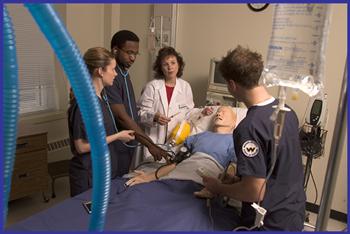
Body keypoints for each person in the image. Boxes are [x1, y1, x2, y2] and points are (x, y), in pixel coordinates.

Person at [201, 46, 306, 231]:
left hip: (269, 222)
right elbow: (275, 168)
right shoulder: (287, 112)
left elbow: (254, 191)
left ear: (232, 85)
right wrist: (238, 180)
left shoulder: (249, 127)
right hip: (293, 215)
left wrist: (219, 188)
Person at [68, 47, 135, 197]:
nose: (116, 73)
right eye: (112, 69)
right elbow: (81, 147)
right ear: (100, 71)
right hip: (88, 176)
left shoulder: (100, 99)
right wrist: (118, 136)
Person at [104, 30, 169, 176]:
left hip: (128, 143)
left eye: (136, 54)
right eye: (129, 52)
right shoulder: (112, 78)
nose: (133, 58)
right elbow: (122, 117)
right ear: (115, 50)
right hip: (116, 144)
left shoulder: (124, 74)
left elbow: (132, 112)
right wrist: (150, 145)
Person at [126, 106, 236, 188]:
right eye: (218, 111)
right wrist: (151, 176)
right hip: (178, 173)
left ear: (234, 122)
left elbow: (232, 169)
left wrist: (216, 189)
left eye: (224, 112)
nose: (219, 114)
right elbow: (177, 163)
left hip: (202, 179)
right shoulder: (198, 137)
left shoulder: (235, 141)